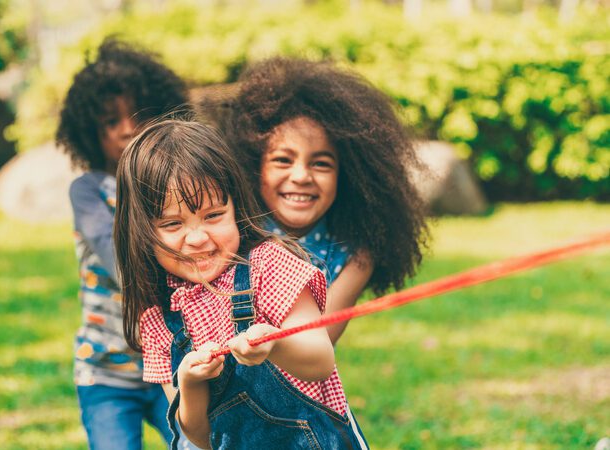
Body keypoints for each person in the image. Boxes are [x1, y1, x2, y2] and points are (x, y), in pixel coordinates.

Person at [113, 120, 370, 450]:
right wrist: (190, 384)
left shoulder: (269, 265)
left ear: (235, 207)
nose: (197, 238)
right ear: (141, 231)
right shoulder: (157, 318)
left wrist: (275, 346)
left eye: (214, 215)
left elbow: (320, 360)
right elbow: (201, 439)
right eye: (173, 223)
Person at [222, 57, 429, 343]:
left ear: (348, 177)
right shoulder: (232, 230)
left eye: (321, 164)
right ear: (253, 166)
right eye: (283, 160)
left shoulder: (356, 256)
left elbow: (318, 343)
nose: (301, 176)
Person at [55, 39, 189, 449]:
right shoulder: (89, 191)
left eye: (136, 115)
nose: (128, 129)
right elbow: (118, 259)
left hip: (177, 367)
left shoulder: (177, 188)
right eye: (110, 122)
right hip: (107, 372)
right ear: (89, 134)